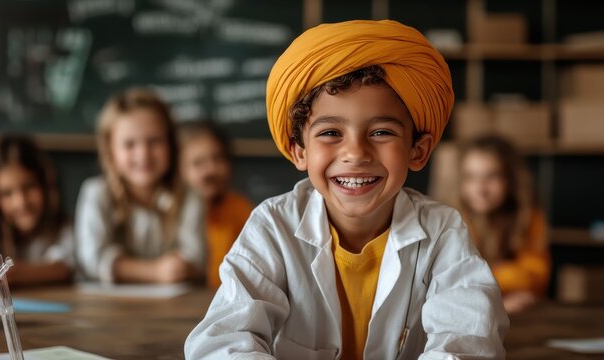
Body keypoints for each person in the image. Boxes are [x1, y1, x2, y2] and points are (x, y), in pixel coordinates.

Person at [185, 20, 508, 359]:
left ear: (418, 150)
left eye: (382, 132)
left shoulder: (442, 231)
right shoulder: (272, 227)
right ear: (299, 150)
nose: (356, 153)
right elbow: (224, 341)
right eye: (330, 133)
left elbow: (469, 340)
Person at [75, 88, 205, 284]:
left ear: (171, 144)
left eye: (154, 141)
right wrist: (156, 272)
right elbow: (92, 260)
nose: (143, 154)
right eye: (129, 144)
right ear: (110, 150)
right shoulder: (96, 193)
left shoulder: (190, 196)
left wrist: (183, 267)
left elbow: (196, 259)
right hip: (105, 308)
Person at [0, 135, 74, 286]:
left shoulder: (63, 230)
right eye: (7, 193)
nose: (21, 203)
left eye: (29, 186)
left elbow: (61, 269)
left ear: (46, 185)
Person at [458, 135, 550, 314]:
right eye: (471, 177)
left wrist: (481, 277)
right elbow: (450, 285)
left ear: (511, 179)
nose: (480, 189)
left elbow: (536, 277)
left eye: (492, 176)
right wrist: (498, 301)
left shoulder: (527, 216)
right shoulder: (451, 218)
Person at [179, 121, 253, 288]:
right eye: (198, 163)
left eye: (218, 159)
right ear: (178, 170)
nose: (210, 170)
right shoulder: (172, 212)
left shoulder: (240, 208)